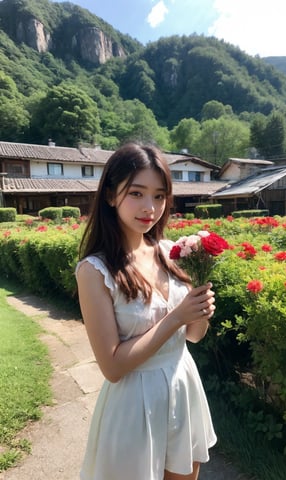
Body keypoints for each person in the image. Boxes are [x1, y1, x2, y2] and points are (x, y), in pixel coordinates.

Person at [75, 142, 217, 480]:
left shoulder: (171, 252)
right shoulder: (95, 271)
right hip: (134, 404)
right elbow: (112, 365)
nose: (149, 207)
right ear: (111, 195)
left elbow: (193, 337)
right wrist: (177, 316)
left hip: (183, 385)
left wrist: (200, 313)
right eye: (136, 193)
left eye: (159, 195)